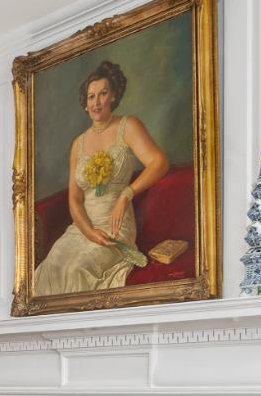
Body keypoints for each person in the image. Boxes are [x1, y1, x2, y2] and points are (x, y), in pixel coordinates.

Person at [32, 60, 169, 295]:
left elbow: (159, 163)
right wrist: (87, 231)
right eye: (91, 96)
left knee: (77, 268)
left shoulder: (128, 126)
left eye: (102, 94)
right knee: (48, 268)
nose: (96, 102)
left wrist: (126, 195)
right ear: (85, 103)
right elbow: (74, 199)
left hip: (114, 224)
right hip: (82, 226)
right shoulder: (78, 144)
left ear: (113, 96)